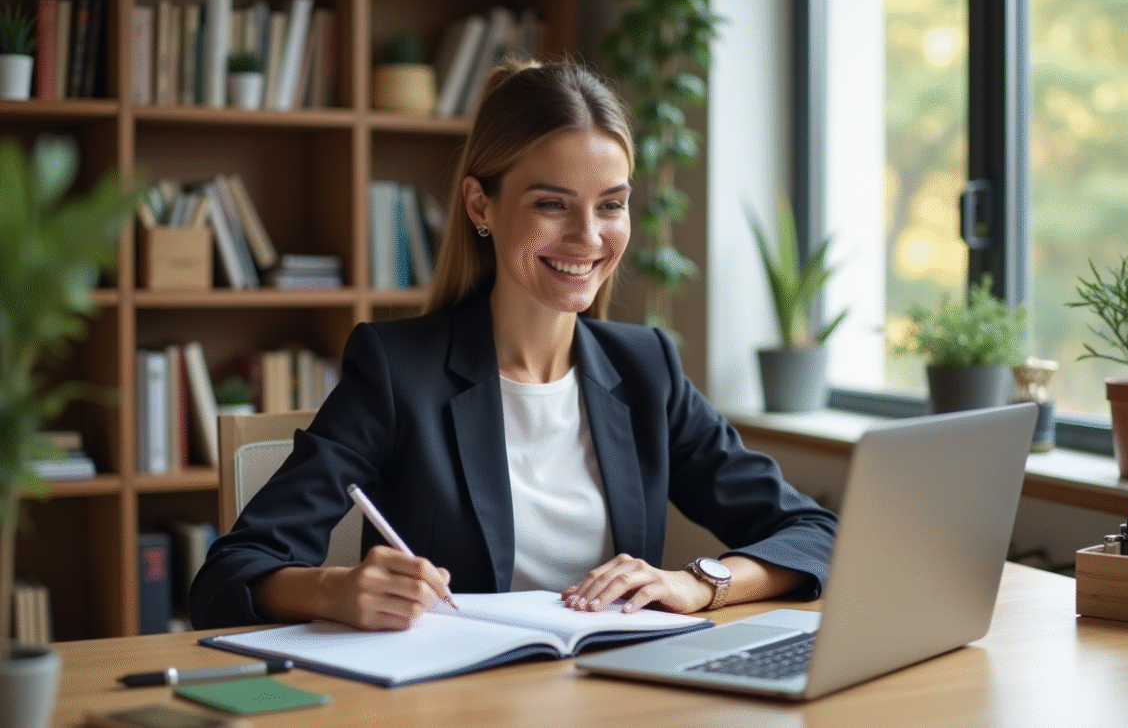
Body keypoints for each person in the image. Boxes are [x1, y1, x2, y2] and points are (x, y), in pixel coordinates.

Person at [189, 60, 837, 632]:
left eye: (611, 205)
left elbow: (818, 535)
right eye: (553, 204)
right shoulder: (399, 371)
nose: (588, 237)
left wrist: (697, 584)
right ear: (480, 205)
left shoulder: (646, 369)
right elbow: (230, 574)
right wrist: (336, 589)